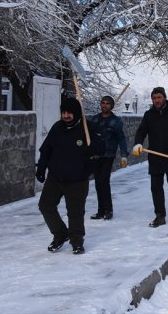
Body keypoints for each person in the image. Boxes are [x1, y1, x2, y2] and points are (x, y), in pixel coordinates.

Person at [36, 97, 97, 255]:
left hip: (77, 179)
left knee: (75, 212)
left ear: (76, 113)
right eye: (63, 112)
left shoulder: (87, 128)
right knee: (45, 206)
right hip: (56, 177)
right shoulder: (57, 128)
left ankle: (77, 241)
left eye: (69, 112)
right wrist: (41, 167)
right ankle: (60, 233)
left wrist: (91, 154)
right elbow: (46, 150)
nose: (66, 116)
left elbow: (102, 148)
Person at [133, 87, 168, 227]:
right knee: (156, 187)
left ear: (164, 97)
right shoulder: (149, 115)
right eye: (154, 98)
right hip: (155, 156)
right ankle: (160, 215)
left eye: (159, 97)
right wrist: (138, 143)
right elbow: (141, 131)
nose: (156, 100)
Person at [88, 95, 128, 220]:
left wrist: (124, 155)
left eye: (107, 103)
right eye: (103, 103)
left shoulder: (116, 122)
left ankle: (108, 210)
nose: (105, 105)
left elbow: (121, 138)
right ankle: (101, 210)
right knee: (98, 183)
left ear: (111, 106)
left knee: (104, 181)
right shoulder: (94, 120)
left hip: (108, 155)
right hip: (96, 155)